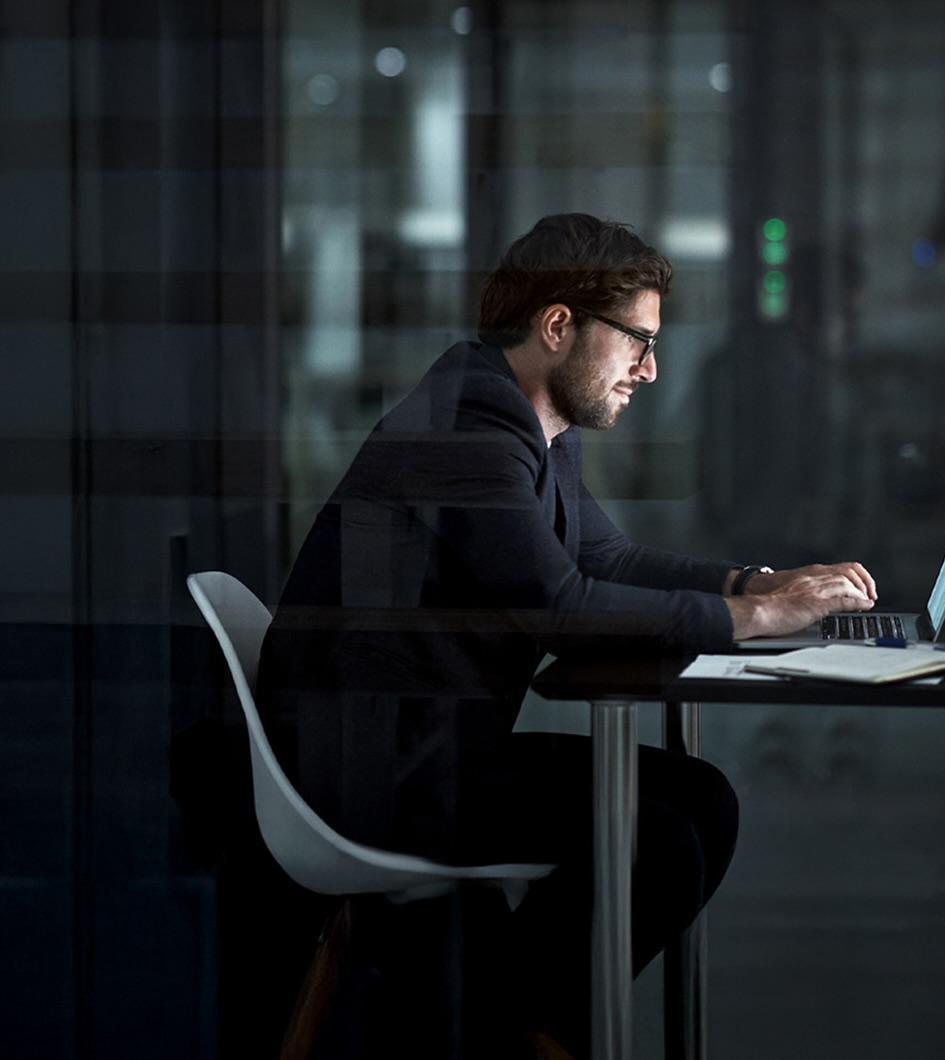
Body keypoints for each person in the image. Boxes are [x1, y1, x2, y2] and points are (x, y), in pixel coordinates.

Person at [257, 213, 877, 1058]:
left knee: (699, 802)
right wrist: (759, 621)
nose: (650, 369)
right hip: (375, 773)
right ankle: (523, 1032)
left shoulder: (516, 416)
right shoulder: (468, 432)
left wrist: (749, 584)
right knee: (657, 837)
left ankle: (514, 1023)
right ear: (558, 326)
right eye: (636, 342)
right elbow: (560, 606)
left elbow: (603, 555)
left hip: (422, 750)